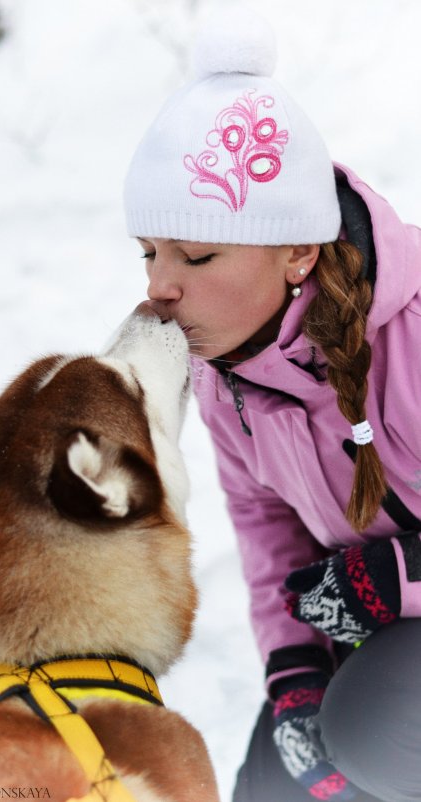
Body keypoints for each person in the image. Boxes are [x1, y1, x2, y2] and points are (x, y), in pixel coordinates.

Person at [122, 8, 421, 802]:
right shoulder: (229, 369)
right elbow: (265, 527)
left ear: (298, 251)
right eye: (149, 251)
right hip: (382, 622)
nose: (159, 285)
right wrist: (292, 673)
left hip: (401, 613)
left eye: (197, 253)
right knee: (275, 783)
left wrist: (403, 575)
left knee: (373, 738)